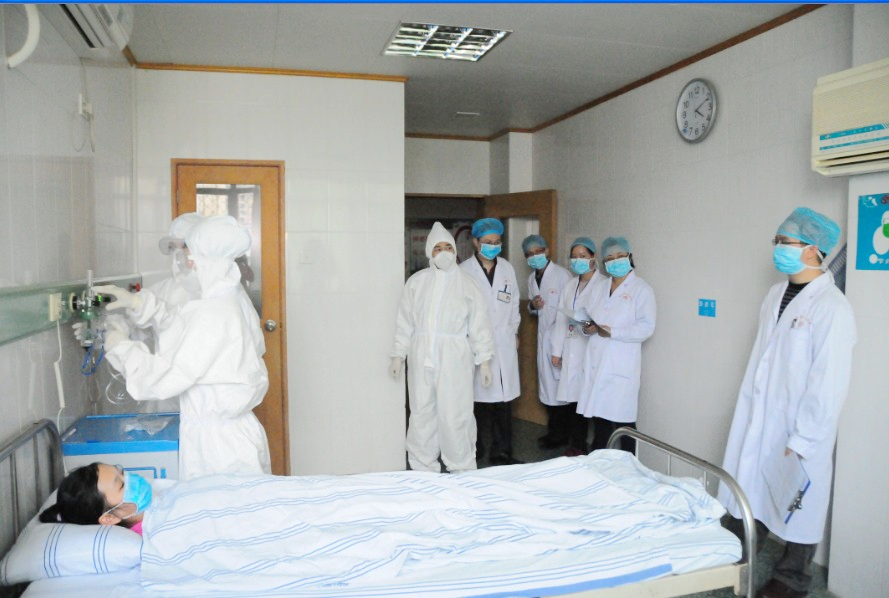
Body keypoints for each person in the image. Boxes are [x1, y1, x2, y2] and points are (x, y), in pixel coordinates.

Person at [718, 208, 856, 598]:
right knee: (752, 489)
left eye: (785, 242)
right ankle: (739, 557)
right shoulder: (775, 295)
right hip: (761, 416)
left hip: (801, 428)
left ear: (813, 249)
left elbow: (828, 384)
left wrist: (804, 437)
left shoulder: (833, 308)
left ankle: (793, 579)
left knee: (799, 502)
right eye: (776, 241)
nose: (777, 248)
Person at [97, 215, 271, 480]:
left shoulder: (213, 312)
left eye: (191, 255)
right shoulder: (227, 299)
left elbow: (161, 379)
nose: (187, 262)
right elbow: (181, 326)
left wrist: (119, 346)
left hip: (218, 448)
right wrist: (140, 304)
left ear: (207, 261)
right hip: (232, 436)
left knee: (215, 505)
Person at [390, 222, 495, 473]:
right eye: (438, 248)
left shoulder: (468, 283)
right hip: (421, 356)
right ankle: (422, 469)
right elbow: (405, 322)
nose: (444, 252)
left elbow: (479, 324)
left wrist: (485, 360)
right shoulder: (416, 283)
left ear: (455, 250)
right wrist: (398, 355)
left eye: (448, 247)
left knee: (455, 414)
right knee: (421, 413)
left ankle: (461, 469)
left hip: (454, 357)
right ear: (430, 252)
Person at [580, 236, 656, 452]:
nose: (615, 261)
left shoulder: (641, 289)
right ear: (604, 262)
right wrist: (588, 327)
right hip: (597, 360)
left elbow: (646, 328)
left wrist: (613, 331)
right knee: (600, 420)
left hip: (621, 365)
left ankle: (630, 467)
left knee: (624, 425)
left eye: (620, 256)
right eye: (610, 258)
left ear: (629, 257)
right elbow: (590, 315)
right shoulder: (600, 287)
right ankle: (599, 465)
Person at [459, 218, 521, 466]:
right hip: (475, 345)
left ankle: (502, 452)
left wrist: (514, 331)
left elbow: (513, 303)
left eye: (497, 242)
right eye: (487, 242)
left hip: (503, 343)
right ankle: (474, 451)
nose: (493, 246)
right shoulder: (463, 271)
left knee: (503, 404)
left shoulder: (507, 268)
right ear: (475, 242)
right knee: (477, 403)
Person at [551, 237, 605, 456]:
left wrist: (591, 325)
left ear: (593, 257)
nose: (578, 260)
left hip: (592, 348)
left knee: (592, 401)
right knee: (573, 401)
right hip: (572, 346)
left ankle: (596, 450)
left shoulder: (603, 285)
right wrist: (556, 351)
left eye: (583, 256)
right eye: (574, 257)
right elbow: (560, 319)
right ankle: (577, 446)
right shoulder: (570, 285)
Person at [522, 234, 572, 450]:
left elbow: (570, 311)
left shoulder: (562, 276)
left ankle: (562, 436)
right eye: (529, 254)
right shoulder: (531, 279)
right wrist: (532, 306)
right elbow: (534, 310)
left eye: (538, 251)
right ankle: (554, 433)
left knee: (561, 392)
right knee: (549, 390)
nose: (535, 256)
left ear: (547, 251)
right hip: (544, 339)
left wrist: (561, 347)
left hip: (560, 340)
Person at [39, 463, 151, 535]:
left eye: (122, 473)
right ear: (109, 518)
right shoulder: (149, 535)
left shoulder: (152, 509)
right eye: (122, 485)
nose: (130, 478)